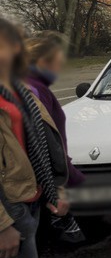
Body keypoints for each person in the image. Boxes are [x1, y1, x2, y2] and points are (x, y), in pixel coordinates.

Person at [0, 18, 71, 258]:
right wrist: (2, 227)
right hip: (9, 205)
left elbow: (43, 142)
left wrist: (55, 189)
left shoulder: (18, 88)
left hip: (30, 195)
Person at [25, 32, 86, 243]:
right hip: (34, 191)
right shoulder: (33, 91)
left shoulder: (32, 86)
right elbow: (44, 146)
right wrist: (63, 184)